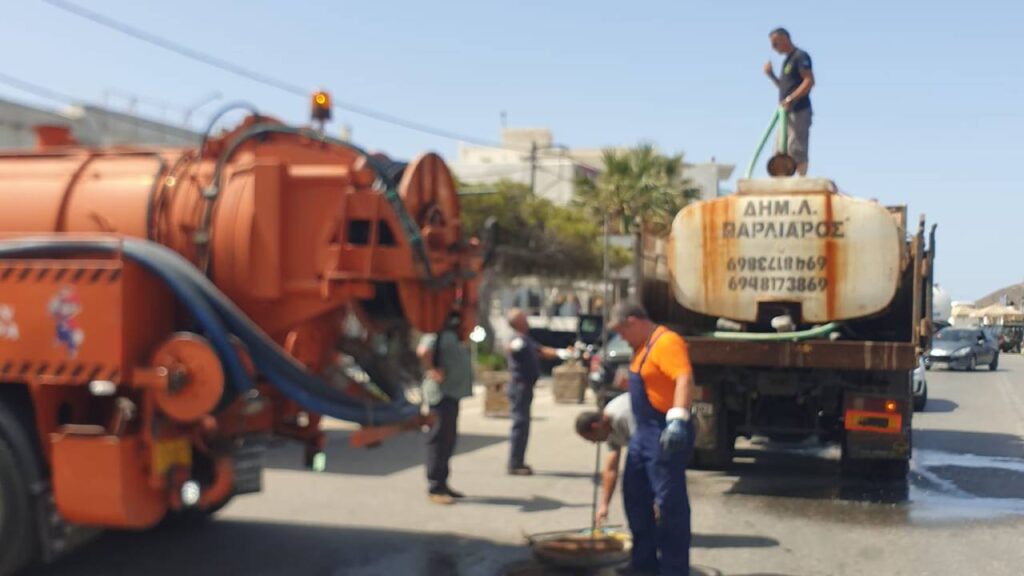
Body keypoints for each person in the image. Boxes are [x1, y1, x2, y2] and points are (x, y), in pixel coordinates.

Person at [607, 300, 696, 576]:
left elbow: (684, 378)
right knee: (635, 498)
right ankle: (644, 565)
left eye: (622, 331)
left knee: (669, 505)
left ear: (633, 321)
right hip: (642, 435)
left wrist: (678, 419)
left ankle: (674, 569)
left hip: (662, 433)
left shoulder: (666, 342)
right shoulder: (643, 347)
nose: (622, 338)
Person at [505, 308, 570, 475]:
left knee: (523, 425)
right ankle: (515, 463)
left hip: (525, 387)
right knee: (520, 424)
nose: (527, 320)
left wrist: (562, 353)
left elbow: (541, 351)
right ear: (517, 323)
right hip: (519, 386)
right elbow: (511, 348)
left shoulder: (526, 339)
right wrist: (514, 347)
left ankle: (518, 461)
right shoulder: (517, 339)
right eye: (523, 318)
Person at [417, 313, 474, 505]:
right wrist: (432, 370)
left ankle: (443, 483)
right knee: (438, 439)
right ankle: (435, 487)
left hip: (451, 395)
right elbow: (423, 351)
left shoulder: (454, 334)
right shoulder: (437, 332)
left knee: (448, 440)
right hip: (440, 395)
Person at [574, 393, 635, 527]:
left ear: (595, 427)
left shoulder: (622, 416)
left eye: (591, 438)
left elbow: (647, 452)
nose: (594, 443)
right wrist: (604, 505)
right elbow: (611, 469)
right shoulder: (606, 429)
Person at [763, 27, 815, 176]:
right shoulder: (787, 61)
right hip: (785, 114)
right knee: (779, 151)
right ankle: (782, 182)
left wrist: (790, 99)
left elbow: (809, 81)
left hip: (799, 111)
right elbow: (785, 88)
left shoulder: (800, 56)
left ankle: (801, 180)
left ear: (784, 38)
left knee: (796, 150)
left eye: (775, 43)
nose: (773, 47)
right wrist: (771, 75)